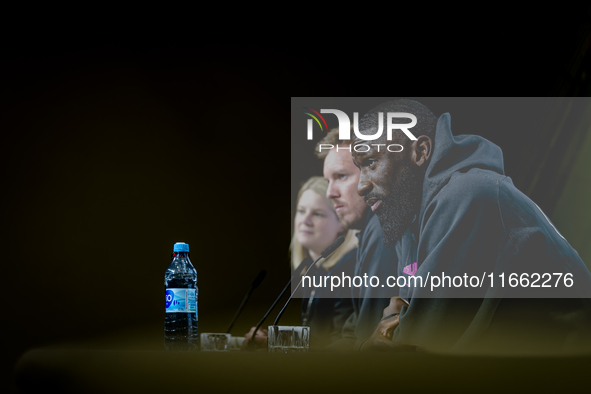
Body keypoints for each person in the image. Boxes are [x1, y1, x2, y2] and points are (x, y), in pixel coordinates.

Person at [353, 99, 591, 354]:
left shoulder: (466, 195)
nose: (360, 185)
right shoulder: (410, 220)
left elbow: (410, 345)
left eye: (370, 162)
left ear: (420, 152)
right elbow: (401, 322)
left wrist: (375, 342)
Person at [242, 176, 358, 349]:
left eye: (317, 214)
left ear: (342, 222)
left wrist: (277, 343)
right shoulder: (313, 271)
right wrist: (272, 338)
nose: (305, 220)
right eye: (301, 211)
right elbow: (316, 337)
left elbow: (345, 342)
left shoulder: (349, 269)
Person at [315, 128, 400, 351]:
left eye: (341, 176)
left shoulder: (381, 230)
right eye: (327, 180)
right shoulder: (370, 232)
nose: (329, 193)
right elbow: (353, 335)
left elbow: (364, 339)